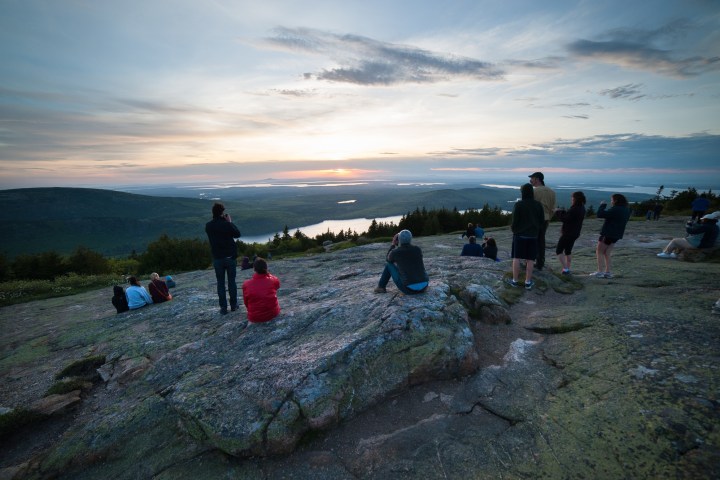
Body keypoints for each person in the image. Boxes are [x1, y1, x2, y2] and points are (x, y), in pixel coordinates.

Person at [205, 202, 241, 315]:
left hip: (217, 259)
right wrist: (230, 222)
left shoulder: (208, 226)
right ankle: (234, 305)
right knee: (231, 282)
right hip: (230, 257)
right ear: (222, 212)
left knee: (220, 283)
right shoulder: (226, 224)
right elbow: (237, 234)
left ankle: (223, 308)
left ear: (213, 213)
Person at [507, 183, 544, 289]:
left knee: (516, 258)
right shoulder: (538, 205)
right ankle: (528, 282)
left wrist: (514, 230)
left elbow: (514, 221)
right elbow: (541, 221)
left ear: (523, 192)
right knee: (530, 259)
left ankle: (515, 281)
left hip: (519, 235)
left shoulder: (519, 205)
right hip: (533, 236)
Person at [374, 229, 429, 294]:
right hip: (424, 287)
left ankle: (381, 287)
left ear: (398, 240)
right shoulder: (417, 249)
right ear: (410, 238)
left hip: (409, 290)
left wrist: (393, 244)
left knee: (389, 265)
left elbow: (388, 259)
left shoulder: (396, 252)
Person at [591, 193, 632, 279]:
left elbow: (600, 214)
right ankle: (608, 272)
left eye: (612, 200)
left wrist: (602, 205)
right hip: (617, 235)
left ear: (616, 200)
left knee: (599, 252)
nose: (611, 201)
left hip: (608, 234)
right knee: (607, 253)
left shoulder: (615, 209)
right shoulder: (626, 210)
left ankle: (600, 272)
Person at [528, 172, 556, 271]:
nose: (530, 180)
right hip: (546, 219)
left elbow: (530, 206)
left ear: (537, 179)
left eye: (532, 178)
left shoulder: (534, 192)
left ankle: (531, 261)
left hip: (535, 219)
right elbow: (553, 208)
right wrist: (548, 219)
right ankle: (540, 262)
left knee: (532, 239)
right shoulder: (551, 192)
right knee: (541, 240)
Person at [554, 191, 586, 275]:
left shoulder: (575, 209)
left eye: (572, 198)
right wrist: (562, 211)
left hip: (568, 233)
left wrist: (557, 212)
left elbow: (565, 219)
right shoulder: (582, 207)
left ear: (575, 199)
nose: (571, 199)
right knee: (568, 251)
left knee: (559, 251)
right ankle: (567, 269)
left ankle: (565, 269)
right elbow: (570, 216)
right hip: (575, 233)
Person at [242, 257, 281, 323]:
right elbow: (277, 286)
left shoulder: (246, 284)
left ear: (254, 268)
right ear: (266, 267)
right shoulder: (273, 280)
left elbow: (246, 302)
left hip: (254, 317)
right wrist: (268, 274)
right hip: (273, 313)